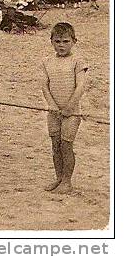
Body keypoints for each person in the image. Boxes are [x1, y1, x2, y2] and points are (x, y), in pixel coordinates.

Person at [41, 22, 89, 194]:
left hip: (72, 112)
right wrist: (52, 105)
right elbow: (45, 85)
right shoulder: (47, 62)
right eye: (58, 41)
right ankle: (59, 178)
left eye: (66, 41)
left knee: (66, 145)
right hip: (53, 111)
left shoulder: (78, 61)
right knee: (55, 145)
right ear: (52, 42)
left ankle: (67, 181)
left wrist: (69, 107)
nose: (61, 45)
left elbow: (80, 86)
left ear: (74, 41)